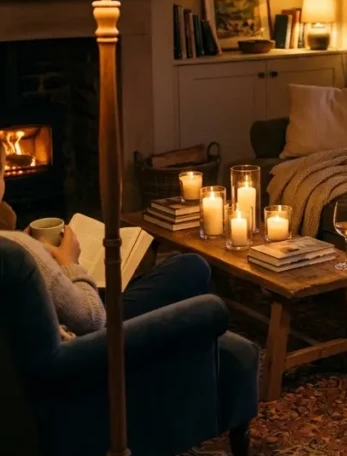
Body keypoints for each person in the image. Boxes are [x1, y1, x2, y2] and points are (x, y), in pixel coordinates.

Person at [0, 142, 212, 338]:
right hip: (89, 346)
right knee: (192, 267)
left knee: (174, 263)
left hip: (64, 320)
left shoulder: (14, 244)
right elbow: (92, 319)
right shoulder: (16, 247)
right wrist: (70, 264)